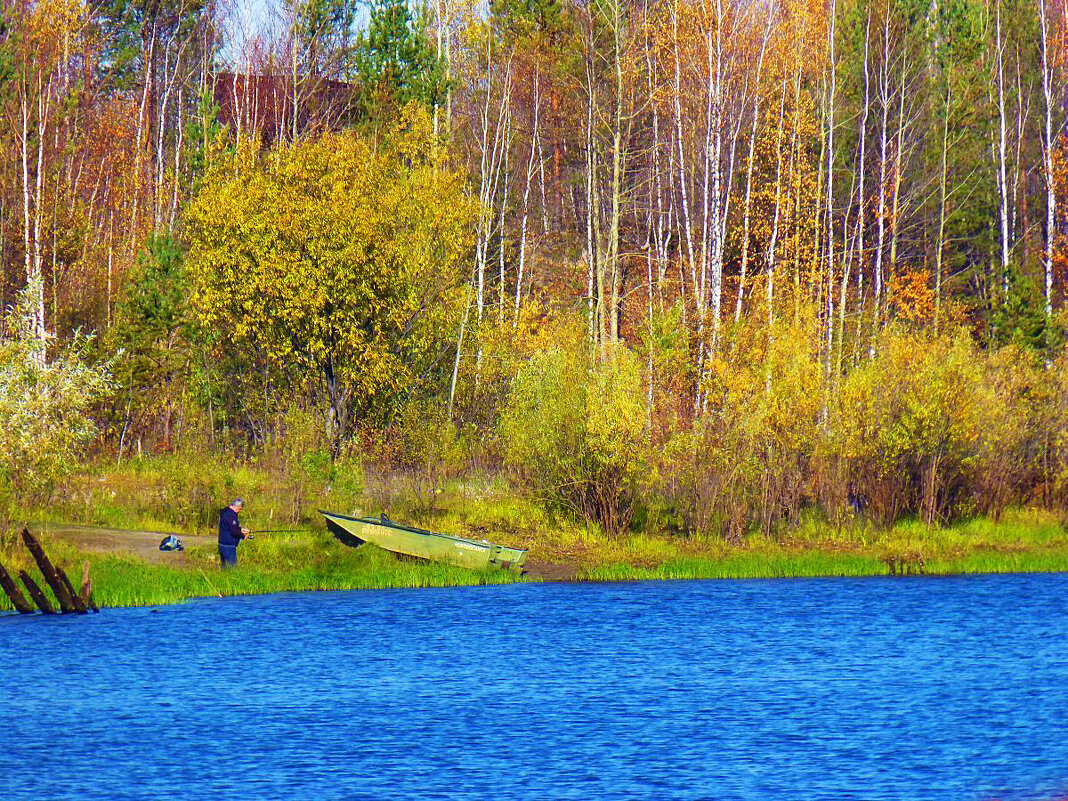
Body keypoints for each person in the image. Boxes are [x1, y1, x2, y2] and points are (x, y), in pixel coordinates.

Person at [218, 498, 251, 568]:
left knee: (224, 568)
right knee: (231, 568)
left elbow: (230, 527)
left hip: (222, 544)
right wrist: (243, 536)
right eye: (240, 509)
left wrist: (241, 529)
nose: (240, 511)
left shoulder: (225, 512)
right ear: (236, 506)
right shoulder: (231, 515)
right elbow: (234, 531)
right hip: (229, 546)